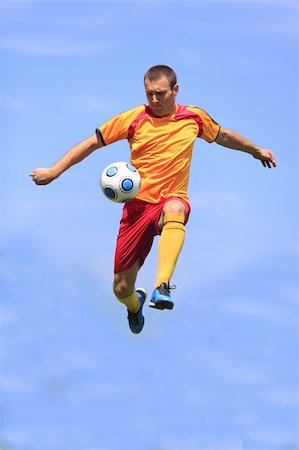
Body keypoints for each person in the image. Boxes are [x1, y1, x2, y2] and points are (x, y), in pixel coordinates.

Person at [30, 65, 277, 334]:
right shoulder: (133, 119)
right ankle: (135, 306)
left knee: (175, 208)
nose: (154, 100)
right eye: (149, 94)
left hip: (171, 198)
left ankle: (162, 286)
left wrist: (255, 150)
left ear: (176, 90)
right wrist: (53, 171)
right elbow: (91, 143)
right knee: (121, 288)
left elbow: (223, 136)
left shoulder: (193, 118)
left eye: (160, 94)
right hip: (136, 208)